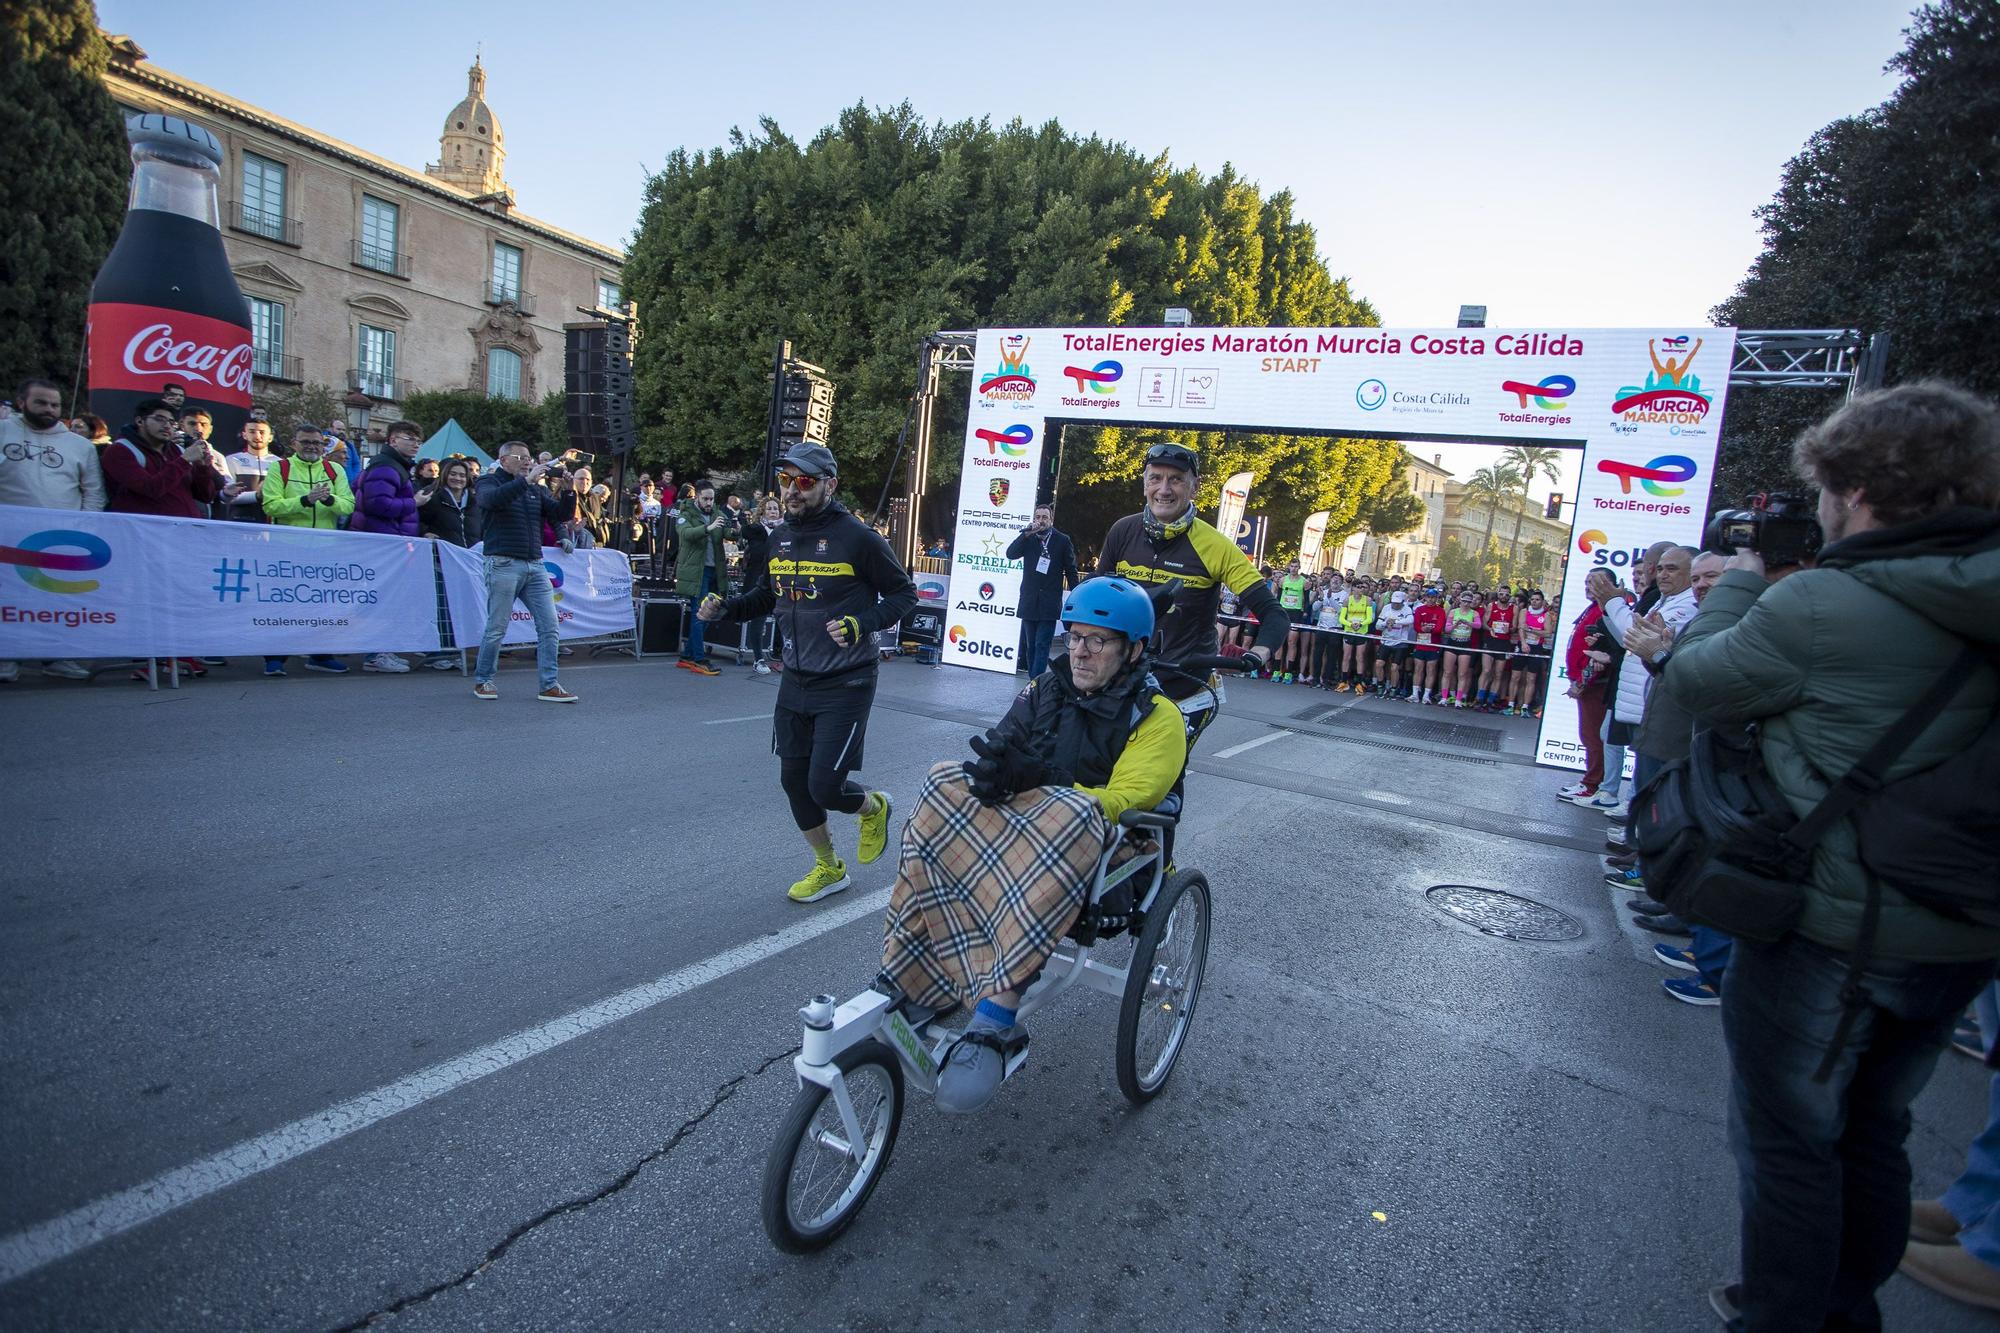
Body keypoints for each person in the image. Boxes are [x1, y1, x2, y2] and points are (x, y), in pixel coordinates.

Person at [1659, 382, 2000, 1332]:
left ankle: (1782, 1315)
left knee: (1790, 1142)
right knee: (1875, 1133)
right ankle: (1849, 1311)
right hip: (1960, 926)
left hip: (1833, 925)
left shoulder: (1828, 600)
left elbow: (1696, 680)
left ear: (1854, 489)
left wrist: (1736, 575)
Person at [875, 576, 1186, 1112]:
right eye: (1075, 636)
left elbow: (1126, 799)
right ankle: (908, 971)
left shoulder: (1159, 717)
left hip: (1113, 854)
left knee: (1073, 811)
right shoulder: (1045, 689)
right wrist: (996, 773)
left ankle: (997, 1021)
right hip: (1031, 829)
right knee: (945, 778)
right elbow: (1003, 747)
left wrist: (1041, 784)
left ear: (1133, 649)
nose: (1081, 652)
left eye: (1098, 641)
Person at [696, 443, 916, 902]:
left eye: (804, 481)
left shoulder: (858, 538)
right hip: (795, 677)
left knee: (825, 785)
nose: (792, 491)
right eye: (786, 480)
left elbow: (904, 595)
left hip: (847, 680)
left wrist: (860, 624)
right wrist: (725, 609)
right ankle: (828, 867)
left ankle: (873, 806)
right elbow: (765, 598)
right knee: (793, 781)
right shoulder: (778, 537)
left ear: (829, 485)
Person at [1092, 441, 1284, 695]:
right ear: (1144, 483)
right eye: (1155, 478)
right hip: (1121, 675)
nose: (1164, 489)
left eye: (1176, 480)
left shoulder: (1216, 546)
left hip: (1182, 679)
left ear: (1195, 487)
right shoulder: (1123, 530)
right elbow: (1095, 599)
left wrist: (1258, 652)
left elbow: (1274, 614)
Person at [0, 378, 107, 684]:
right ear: (22, 403)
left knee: (57, 600)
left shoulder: (80, 445)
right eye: (41, 403)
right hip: (8, 536)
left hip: (60, 537)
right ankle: (6, 657)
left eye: (55, 405)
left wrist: (85, 528)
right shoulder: (3, 431)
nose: (49, 410)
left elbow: (93, 491)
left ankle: (58, 656)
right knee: (9, 599)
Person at [472, 442, 576, 703]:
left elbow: (560, 514)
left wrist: (569, 491)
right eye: (521, 457)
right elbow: (490, 501)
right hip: (503, 562)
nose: (528, 462)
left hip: (535, 564)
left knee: (550, 627)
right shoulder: (489, 482)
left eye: (529, 458)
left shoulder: (536, 491)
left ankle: (549, 684)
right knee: (497, 627)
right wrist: (526, 481)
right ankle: (483, 679)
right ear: (504, 459)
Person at [257, 425, 356, 678]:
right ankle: (275, 658)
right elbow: (271, 505)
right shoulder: (281, 468)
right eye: (305, 442)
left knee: (323, 604)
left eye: (316, 443)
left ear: (323, 447)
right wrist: (305, 500)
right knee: (283, 603)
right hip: (287, 548)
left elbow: (347, 505)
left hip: (325, 549)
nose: (312, 446)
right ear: (294, 443)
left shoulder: (335, 470)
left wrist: (328, 500)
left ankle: (321, 655)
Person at [350, 421, 431, 674]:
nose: (416, 443)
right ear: (392, 440)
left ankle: (381, 650)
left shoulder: (393, 466)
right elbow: (378, 505)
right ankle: (376, 654)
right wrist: (413, 503)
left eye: (418, 439)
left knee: (388, 598)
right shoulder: (385, 467)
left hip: (390, 541)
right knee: (383, 599)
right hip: (383, 543)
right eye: (409, 438)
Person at [101, 396, 220, 518]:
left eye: (171, 422)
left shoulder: (177, 451)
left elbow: (205, 496)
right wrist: (184, 461)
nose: (167, 426)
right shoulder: (120, 450)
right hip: (144, 531)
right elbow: (151, 489)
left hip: (185, 529)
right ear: (140, 421)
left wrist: (202, 468)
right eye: (160, 419)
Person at [418, 457, 484, 671]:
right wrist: (423, 532)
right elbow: (417, 519)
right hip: (441, 560)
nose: (458, 478)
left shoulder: (475, 501)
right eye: (453, 474)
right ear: (445, 475)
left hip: (469, 561)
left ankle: (458, 651)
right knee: (443, 608)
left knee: (463, 606)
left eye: (462, 475)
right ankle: (437, 653)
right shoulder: (434, 497)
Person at [1005, 503, 1080, 679]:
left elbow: (1071, 570)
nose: (1041, 521)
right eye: (1038, 517)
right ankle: (1034, 681)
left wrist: (1077, 594)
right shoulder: (1028, 538)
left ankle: (1036, 682)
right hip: (1029, 601)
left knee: (1042, 644)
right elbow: (1010, 554)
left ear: (1051, 520)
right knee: (1031, 645)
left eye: (1044, 517)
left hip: (1049, 602)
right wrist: (1025, 535)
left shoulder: (1062, 540)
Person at [673, 479, 734, 675]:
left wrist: (736, 532)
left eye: (712, 499)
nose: (709, 503)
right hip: (696, 572)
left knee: (711, 613)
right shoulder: (685, 513)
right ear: (697, 497)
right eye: (705, 499)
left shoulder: (717, 513)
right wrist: (708, 528)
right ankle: (699, 659)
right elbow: (686, 534)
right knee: (700, 614)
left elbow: (727, 532)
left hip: (715, 571)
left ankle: (688, 656)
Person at [738, 494, 782, 673]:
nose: (773, 512)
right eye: (770, 508)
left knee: (783, 618)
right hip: (759, 579)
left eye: (776, 509)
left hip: (779, 581)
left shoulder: (785, 530)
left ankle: (780, 655)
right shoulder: (755, 529)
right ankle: (758, 659)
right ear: (763, 510)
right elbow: (756, 552)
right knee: (759, 618)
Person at [220, 413, 276, 523]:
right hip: (238, 522)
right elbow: (228, 496)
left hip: (270, 524)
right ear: (244, 435)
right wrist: (256, 496)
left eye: (262, 432)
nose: (257, 436)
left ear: (270, 437)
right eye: (252, 432)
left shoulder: (279, 462)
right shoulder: (232, 460)